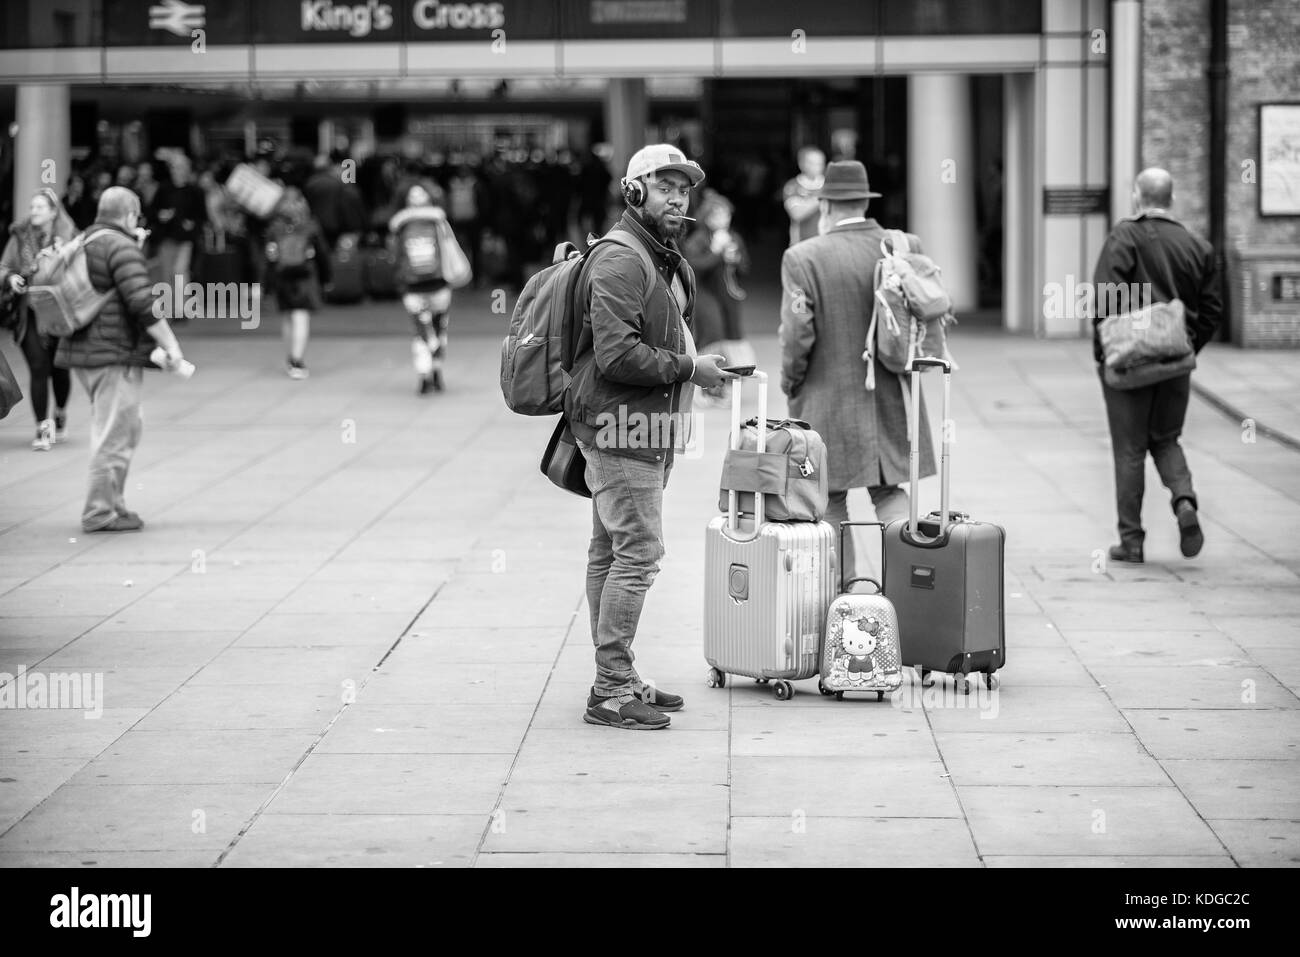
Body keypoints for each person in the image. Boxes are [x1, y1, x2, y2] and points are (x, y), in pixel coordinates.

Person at [565, 143, 735, 731]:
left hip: (645, 425)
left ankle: (620, 675)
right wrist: (691, 369)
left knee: (610, 551)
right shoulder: (621, 260)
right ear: (633, 190)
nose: (678, 198)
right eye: (664, 186)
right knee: (639, 555)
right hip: (619, 428)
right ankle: (611, 689)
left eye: (684, 189)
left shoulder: (661, 255)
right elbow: (616, 356)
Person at [778, 160, 936, 579]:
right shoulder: (901, 245)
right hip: (893, 391)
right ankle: (911, 586)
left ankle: (841, 599)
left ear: (825, 205)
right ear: (866, 202)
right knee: (889, 492)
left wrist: (790, 383)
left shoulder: (803, 258)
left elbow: (796, 336)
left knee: (829, 499)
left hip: (828, 396)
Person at [1092, 168, 1223, 563]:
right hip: (1175, 364)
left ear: (1137, 196)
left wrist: (1105, 352)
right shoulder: (1198, 246)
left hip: (1128, 366)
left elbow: (1104, 299)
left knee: (1129, 450)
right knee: (1166, 439)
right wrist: (1184, 348)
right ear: (1172, 198)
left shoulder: (1125, 236)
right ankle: (1184, 501)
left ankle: (1131, 541)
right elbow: (1213, 310)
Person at [54, 186, 186, 532]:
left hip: (86, 351)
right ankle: (100, 511)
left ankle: (115, 504)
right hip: (111, 353)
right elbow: (142, 301)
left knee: (125, 427)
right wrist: (171, 346)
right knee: (114, 433)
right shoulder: (120, 246)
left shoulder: (87, 239)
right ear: (129, 215)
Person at [0, 188, 78, 450]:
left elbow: (79, 272)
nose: (33, 212)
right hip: (29, 312)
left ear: (53, 212)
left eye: (39, 208)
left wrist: (56, 258)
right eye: (32, 207)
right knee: (38, 366)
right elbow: (4, 266)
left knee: (59, 367)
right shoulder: (20, 235)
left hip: (58, 311)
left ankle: (61, 413)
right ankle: (43, 427)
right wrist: (12, 278)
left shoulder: (68, 236)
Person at [682, 189, 750, 406]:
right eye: (717, 216)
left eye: (726, 215)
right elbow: (694, 269)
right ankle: (702, 384)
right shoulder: (699, 239)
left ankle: (720, 386)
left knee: (730, 336)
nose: (723, 220)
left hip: (726, 296)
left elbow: (745, 269)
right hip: (703, 294)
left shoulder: (734, 237)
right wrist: (716, 252)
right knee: (712, 333)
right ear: (707, 218)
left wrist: (734, 258)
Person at [388, 181, 457, 395]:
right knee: (439, 328)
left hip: (412, 286)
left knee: (421, 333)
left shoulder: (399, 226)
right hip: (439, 283)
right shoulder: (439, 221)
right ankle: (435, 371)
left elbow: (394, 257)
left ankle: (424, 375)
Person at [263, 185, 331, 380]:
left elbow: (269, 257)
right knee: (301, 317)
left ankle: (290, 358)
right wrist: (327, 279)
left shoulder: (275, 227)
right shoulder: (310, 225)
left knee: (287, 318)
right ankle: (297, 359)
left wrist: (266, 283)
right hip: (305, 276)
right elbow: (323, 254)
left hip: (282, 275)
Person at [153, 155, 207, 322]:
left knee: (180, 272)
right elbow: (152, 211)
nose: (179, 172)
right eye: (176, 168)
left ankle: (180, 310)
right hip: (166, 237)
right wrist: (160, 216)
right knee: (167, 273)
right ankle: (169, 309)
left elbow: (202, 216)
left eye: (182, 168)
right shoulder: (163, 189)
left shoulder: (195, 191)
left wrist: (193, 225)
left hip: (185, 239)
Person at [782, 146, 826, 247]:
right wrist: (822, 196)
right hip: (801, 245)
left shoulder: (830, 185)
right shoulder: (792, 186)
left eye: (820, 163)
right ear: (801, 164)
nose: (817, 166)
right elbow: (797, 214)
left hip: (826, 245)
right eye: (812, 163)